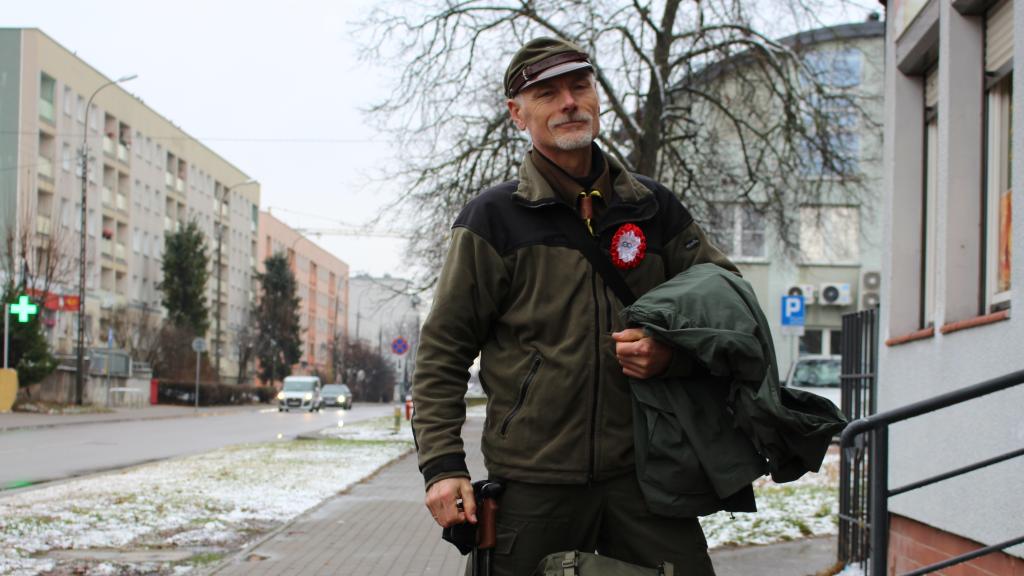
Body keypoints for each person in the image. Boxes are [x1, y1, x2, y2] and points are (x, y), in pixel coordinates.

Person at [412, 37, 736, 575]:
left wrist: (670, 354)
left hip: (646, 481)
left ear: (597, 98)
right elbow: (442, 352)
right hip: (533, 490)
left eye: (579, 86)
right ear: (518, 114)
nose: (568, 101)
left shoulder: (654, 210)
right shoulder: (492, 218)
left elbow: (726, 306)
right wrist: (443, 467)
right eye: (546, 92)